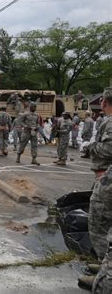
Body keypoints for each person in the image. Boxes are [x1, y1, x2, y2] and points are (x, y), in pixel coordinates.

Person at [77, 87, 112, 291]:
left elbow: (108, 148)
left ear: (104, 103)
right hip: (106, 175)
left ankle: (105, 276)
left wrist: (89, 147)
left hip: (107, 178)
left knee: (99, 224)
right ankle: (105, 267)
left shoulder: (109, 121)